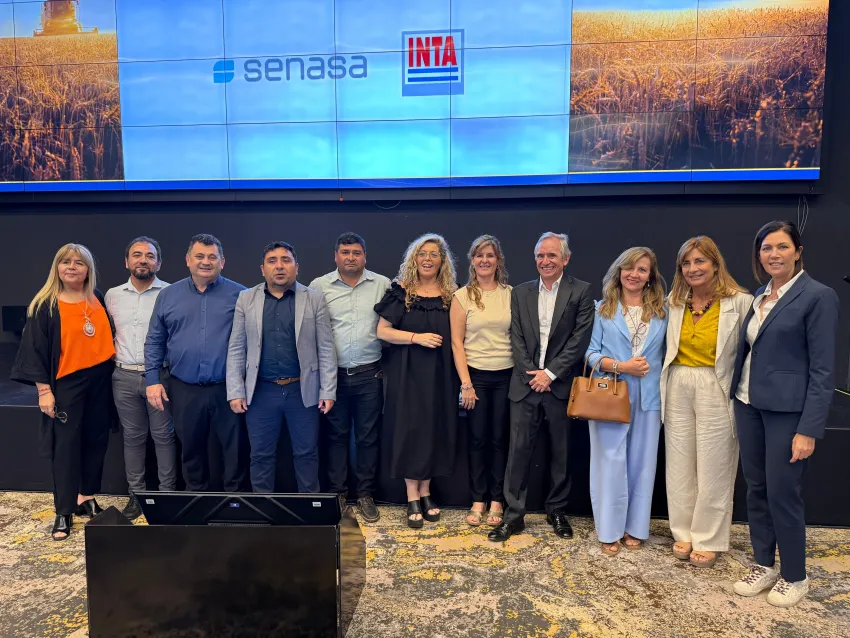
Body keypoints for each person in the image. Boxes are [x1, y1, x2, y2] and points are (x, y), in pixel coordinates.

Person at [730, 221, 839, 608]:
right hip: (748, 404)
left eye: (781, 247)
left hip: (788, 413)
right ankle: (763, 563)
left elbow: (823, 370)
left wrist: (809, 429)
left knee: (783, 492)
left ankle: (795, 575)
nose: (773, 254)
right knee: (756, 488)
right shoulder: (760, 296)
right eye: (766, 248)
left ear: (798, 251)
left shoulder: (818, 296)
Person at [489, 232, 595, 543]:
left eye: (551, 255)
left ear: (565, 258)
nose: (545, 261)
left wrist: (549, 374)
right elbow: (516, 338)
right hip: (525, 386)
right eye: (540, 255)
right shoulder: (520, 292)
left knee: (561, 453)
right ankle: (513, 516)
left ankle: (557, 511)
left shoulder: (581, 291)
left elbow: (579, 340)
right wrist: (533, 375)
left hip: (559, 387)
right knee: (517, 452)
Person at [11, 244, 117, 540]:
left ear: (88, 269)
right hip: (67, 383)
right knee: (66, 446)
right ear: (56, 268)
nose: (72, 267)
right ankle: (64, 510)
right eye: (66, 262)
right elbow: (34, 351)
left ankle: (86, 496)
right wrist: (44, 391)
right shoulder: (45, 304)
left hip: (100, 380)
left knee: (96, 440)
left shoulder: (96, 297)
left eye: (79, 263)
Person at [661, 236, 752, 568]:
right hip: (678, 382)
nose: (693, 268)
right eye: (686, 263)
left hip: (716, 384)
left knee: (716, 464)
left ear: (715, 264)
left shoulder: (740, 302)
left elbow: (752, 351)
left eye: (700, 261)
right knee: (679, 463)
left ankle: (709, 537)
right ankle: (683, 531)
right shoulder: (673, 302)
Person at [227, 242, 337, 493]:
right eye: (272, 261)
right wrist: (235, 391)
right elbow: (236, 347)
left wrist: (328, 390)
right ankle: (263, 509)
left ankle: (309, 509)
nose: (279, 266)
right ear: (262, 269)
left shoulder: (314, 299)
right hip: (261, 392)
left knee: (307, 454)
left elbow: (326, 348)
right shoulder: (246, 298)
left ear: (296, 267)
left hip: (302, 391)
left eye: (286, 260)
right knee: (260, 456)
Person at [145, 234, 246, 492]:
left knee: (234, 450)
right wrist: (152, 380)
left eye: (212, 257)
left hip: (228, 389)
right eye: (199, 256)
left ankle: (234, 502)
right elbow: (155, 340)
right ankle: (196, 500)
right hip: (184, 388)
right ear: (188, 260)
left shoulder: (241, 295)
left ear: (222, 262)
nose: (206, 262)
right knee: (190, 450)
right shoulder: (168, 295)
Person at [585, 247, 668, 556]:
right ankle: (609, 529)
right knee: (609, 462)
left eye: (642, 269)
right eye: (629, 268)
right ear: (618, 272)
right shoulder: (602, 310)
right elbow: (590, 354)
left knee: (643, 464)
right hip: (610, 395)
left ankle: (635, 527)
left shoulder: (663, 312)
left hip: (649, 398)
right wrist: (621, 366)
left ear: (650, 276)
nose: (634, 274)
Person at [374, 234, 459, 528]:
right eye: (422, 253)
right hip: (407, 375)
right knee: (411, 431)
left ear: (442, 260)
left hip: (441, 375)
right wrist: (415, 338)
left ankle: (426, 491)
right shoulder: (401, 291)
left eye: (434, 254)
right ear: (414, 258)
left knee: (433, 430)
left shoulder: (452, 295)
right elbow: (382, 331)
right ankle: (412, 495)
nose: (427, 259)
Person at [309, 233, 390, 521]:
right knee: (336, 437)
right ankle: (339, 494)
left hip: (370, 374)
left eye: (356, 252)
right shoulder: (319, 286)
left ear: (364, 256)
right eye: (345, 252)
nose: (351, 257)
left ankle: (366, 494)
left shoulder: (382, 284)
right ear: (336, 256)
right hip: (334, 378)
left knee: (368, 438)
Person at [105, 236, 176, 520]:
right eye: (137, 255)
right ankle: (136, 496)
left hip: (159, 376)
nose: (143, 260)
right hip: (123, 376)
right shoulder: (112, 295)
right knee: (133, 438)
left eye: (149, 255)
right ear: (127, 261)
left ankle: (168, 495)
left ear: (159, 262)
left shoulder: (170, 293)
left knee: (164, 436)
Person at [450, 235, 513, 528]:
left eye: (490, 255)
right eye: (479, 255)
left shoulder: (511, 294)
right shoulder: (462, 296)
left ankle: (497, 499)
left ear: (498, 260)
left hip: (506, 375)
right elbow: (456, 343)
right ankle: (478, 500)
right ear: (472, 261)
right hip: (475, 377)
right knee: (476, 440)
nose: (484, 260)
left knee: (500, 440)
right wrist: (466, 384)